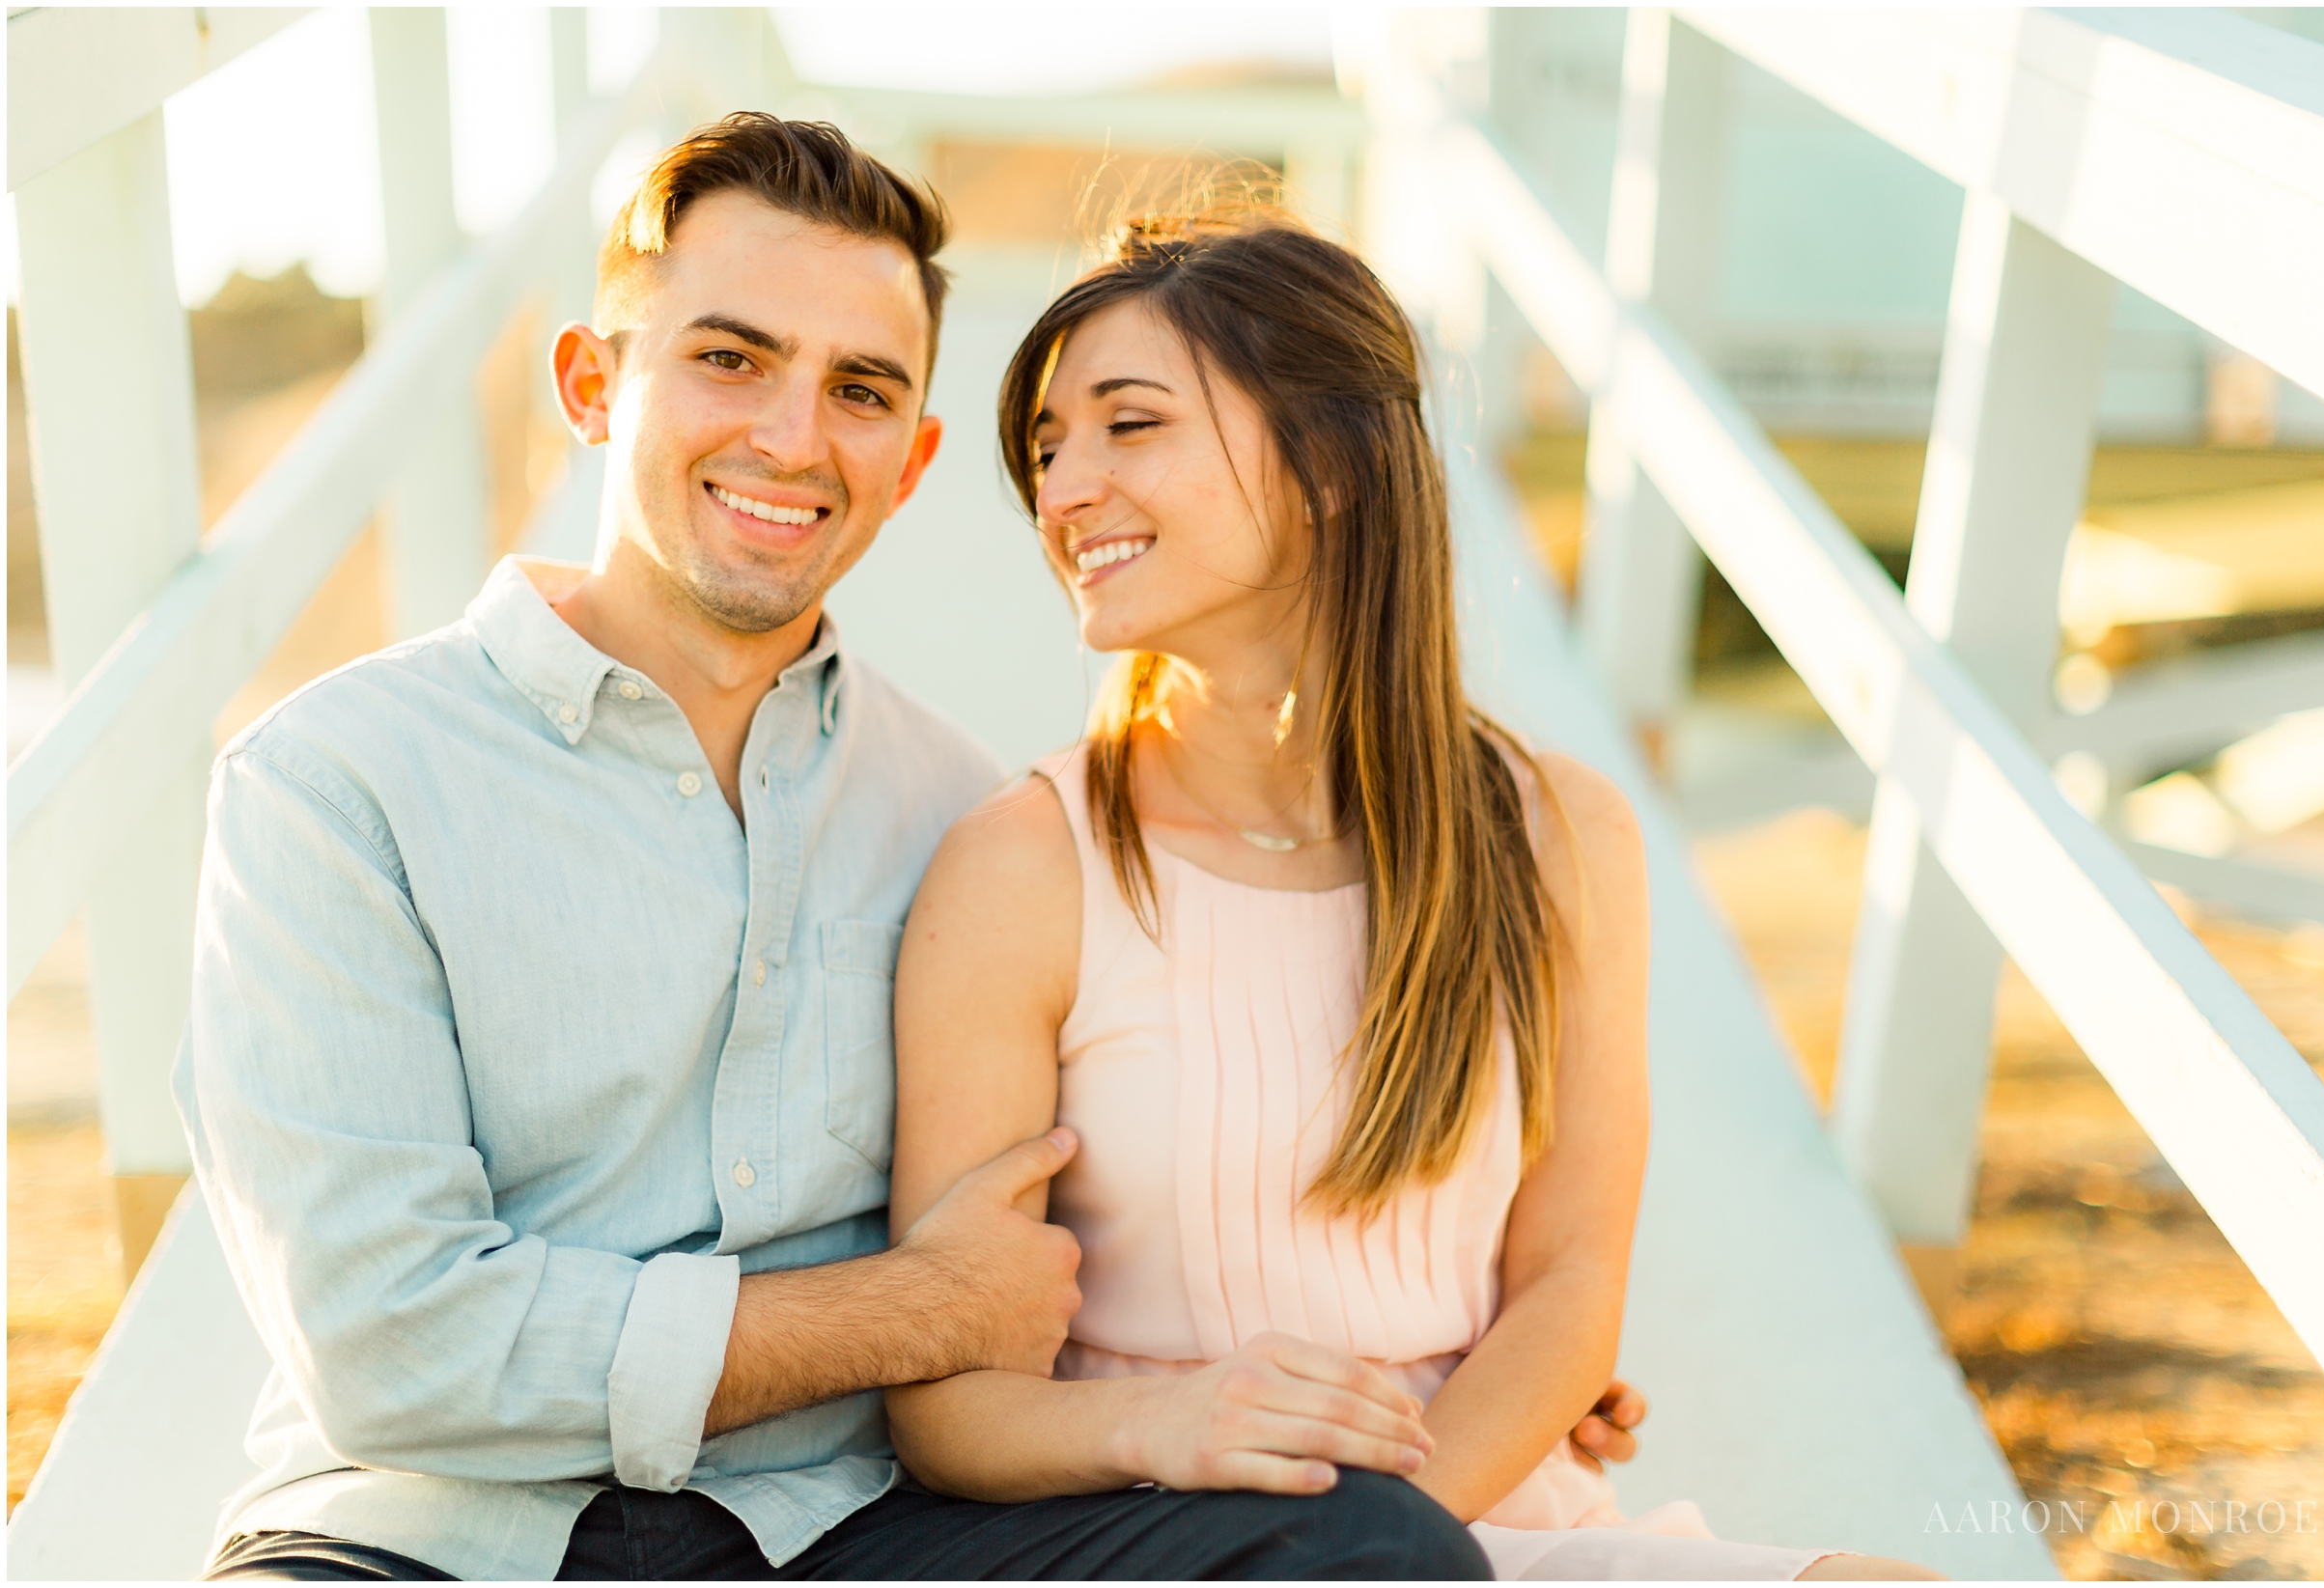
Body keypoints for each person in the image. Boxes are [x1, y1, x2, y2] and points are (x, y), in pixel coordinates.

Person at [174, 116, 1491, 1581]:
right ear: (594, 384)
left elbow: (1089, 1219)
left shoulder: (964, 811)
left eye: (859, 390)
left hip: (859, 1534)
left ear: (914, 457)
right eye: (730, 358)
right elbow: (391, 1340)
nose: (793, 439)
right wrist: (907, 1309)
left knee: (1356, 1542)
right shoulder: (335, 783)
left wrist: (1432, 1365)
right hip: (428, 1535)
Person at [881, 200, 1949, 1581]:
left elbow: (1569, 1286)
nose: (1063, 488)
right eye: (1046, 445)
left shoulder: (1555, 829)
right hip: (1182, 1532)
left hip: (1479, 1511)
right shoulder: (1023, 866)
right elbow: (948, 1407)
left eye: (1128, 425)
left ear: (1326, 464)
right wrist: (1193, 1439)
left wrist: (1392, 1539)